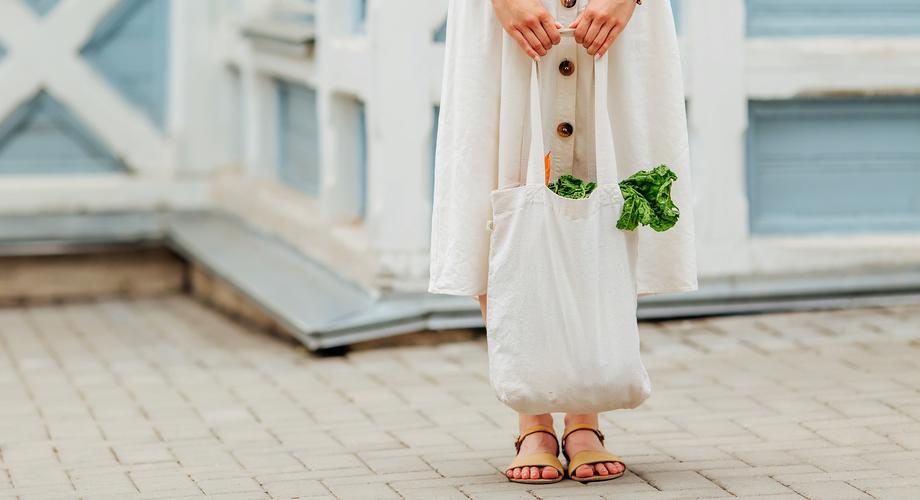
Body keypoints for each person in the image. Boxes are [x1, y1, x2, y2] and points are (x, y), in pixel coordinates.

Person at [428, 0, 698, 484]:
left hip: (620, 14)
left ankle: (584, 416)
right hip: (502, 16)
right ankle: (532, 419)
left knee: (613, 188)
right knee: (499, 179)